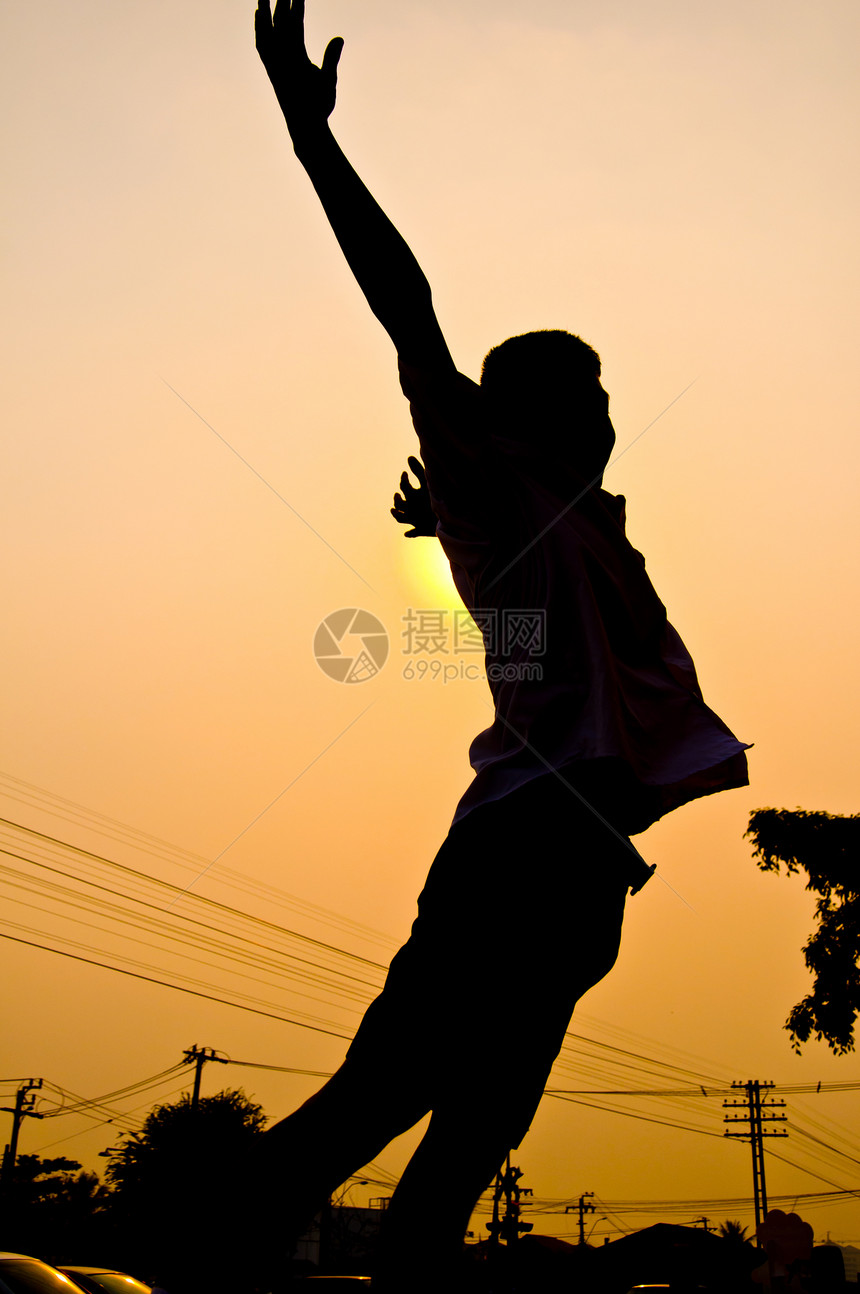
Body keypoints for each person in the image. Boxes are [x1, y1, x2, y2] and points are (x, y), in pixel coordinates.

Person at [252, 3, 750, 1289]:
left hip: (583, 868)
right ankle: (199, 1254)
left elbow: (516, 629)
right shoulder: (510, 483)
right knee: (377, 1099)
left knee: (471, 1144)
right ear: (514, 420)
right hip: (521, 847)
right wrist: (314, 146)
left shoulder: (581, 533)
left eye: (602, 393)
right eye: (575, 395)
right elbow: (404, 309)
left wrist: (443, 544)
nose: (601, 412)